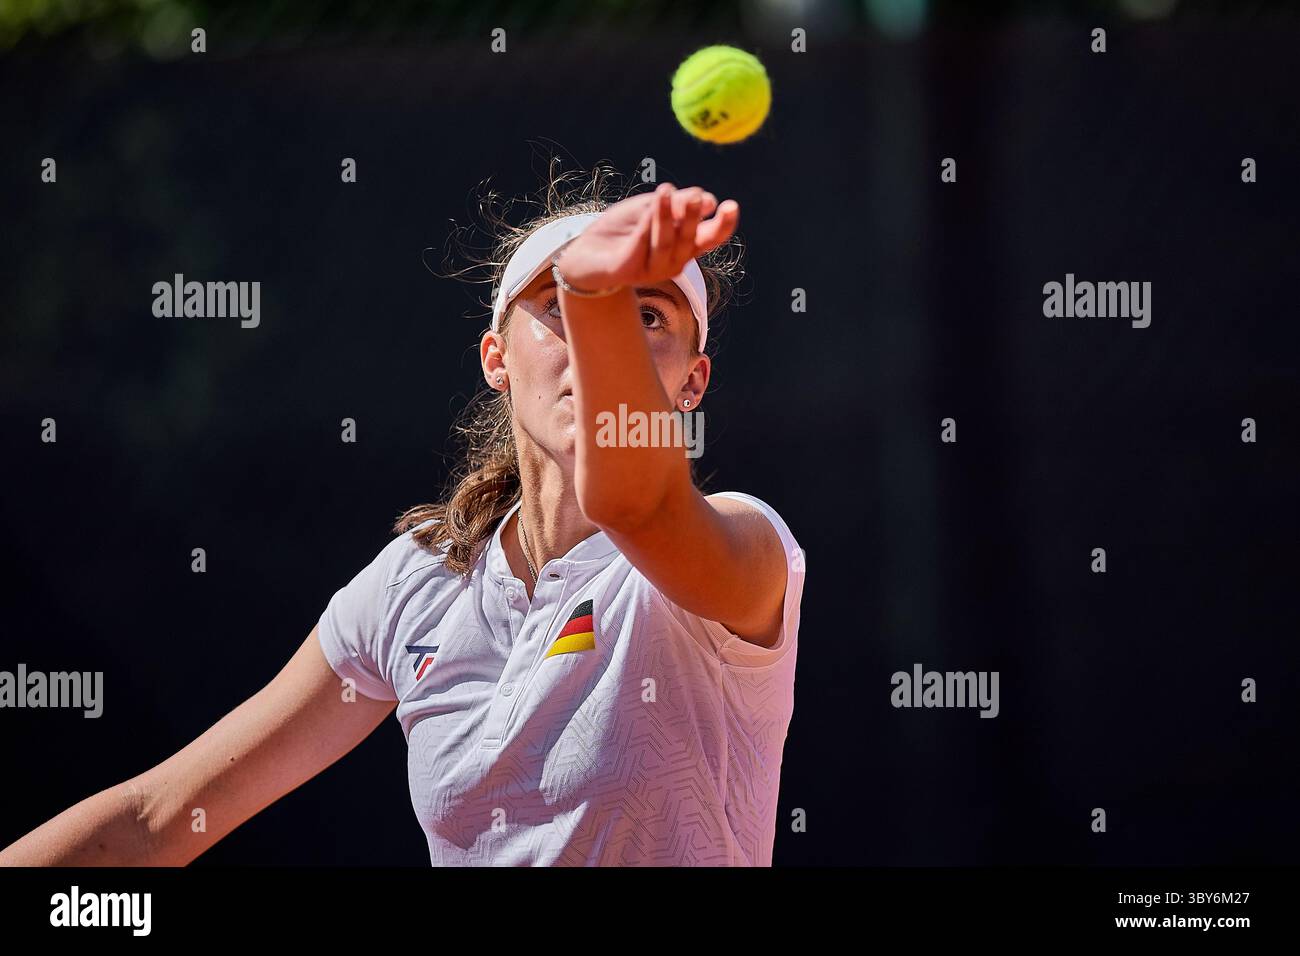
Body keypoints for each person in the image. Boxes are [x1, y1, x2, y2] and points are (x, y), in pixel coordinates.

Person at [0, 165, 806, 867]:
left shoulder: (748, 547)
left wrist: (592, 293)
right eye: (562, 308)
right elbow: (156, 822)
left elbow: (635, 500)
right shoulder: (417, 584)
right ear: (496, 358)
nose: (603, 340)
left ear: (692, 384)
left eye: (650, 317)